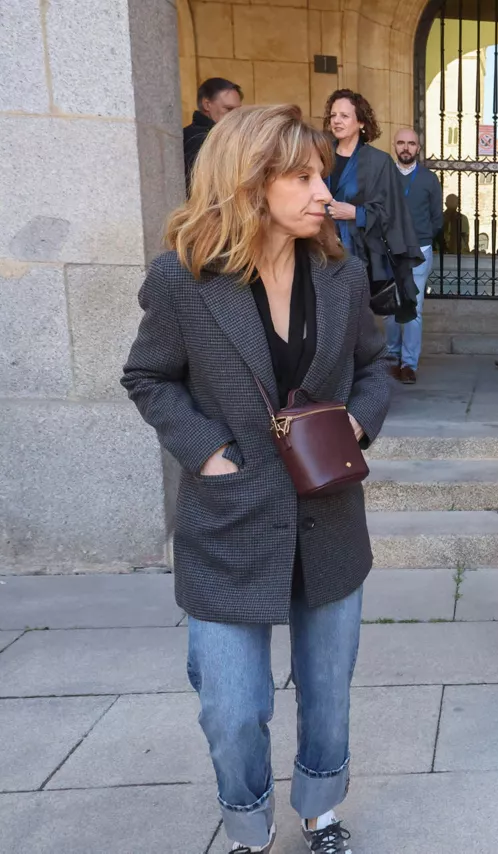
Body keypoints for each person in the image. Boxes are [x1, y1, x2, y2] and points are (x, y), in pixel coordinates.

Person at [121, 104, 389, 854]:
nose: (321, 190)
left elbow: (373, 368)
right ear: (248, 182)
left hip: (329, 515)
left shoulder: (343, 272)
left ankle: (320, 809)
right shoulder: (182, 279)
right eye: (301, 176)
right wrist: (208, 453)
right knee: (232, 708)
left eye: (321, 174)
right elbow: (147, 376)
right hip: (229, 522)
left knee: (327, 693)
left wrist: (358, 424)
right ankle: (247, 828)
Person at [324, 90, 423, 327]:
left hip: (358, 255)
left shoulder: (378, 162)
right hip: (319, 249)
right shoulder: (320, 154)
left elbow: (392, 212)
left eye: (345, 116)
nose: (336, 120)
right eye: (333, 115)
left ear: (361, 122)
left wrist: (356, 214)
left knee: (351, 322)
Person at [389, 128, 443, 385]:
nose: (406, 148)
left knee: (413, 308)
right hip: (388, 249)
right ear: (394, 146)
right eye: (401, 143)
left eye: (411, 143)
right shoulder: (384, 176)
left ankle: (408, 364)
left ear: (418, 148)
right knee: (390, 307)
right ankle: (391, 358)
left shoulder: (429, 179)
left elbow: (437, 217)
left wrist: (422, 237)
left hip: (419, 251)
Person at [182, 77, 242, 190]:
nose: (235, 115)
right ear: (207, 105)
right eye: (228, 109)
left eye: (238, 110)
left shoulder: (225, 135)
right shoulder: (197, 139)